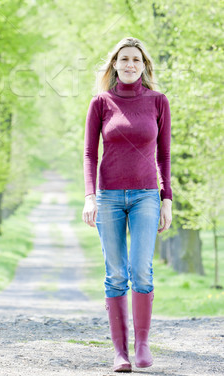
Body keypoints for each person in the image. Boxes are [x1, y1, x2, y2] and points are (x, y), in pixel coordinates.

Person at [82, 36, 172, 373]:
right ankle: (119, 352)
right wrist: (89, 195)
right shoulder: (101, 103)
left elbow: (164, 155)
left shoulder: (158, 101)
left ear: (144, 65)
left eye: (136, 59)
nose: (130, 64)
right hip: (108, 197)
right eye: (124, 59)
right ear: (115, 65)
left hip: (147, 195)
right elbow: (90, 153)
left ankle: (142, 344)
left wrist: (167, 199)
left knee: (141, 269)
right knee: (116, 273)